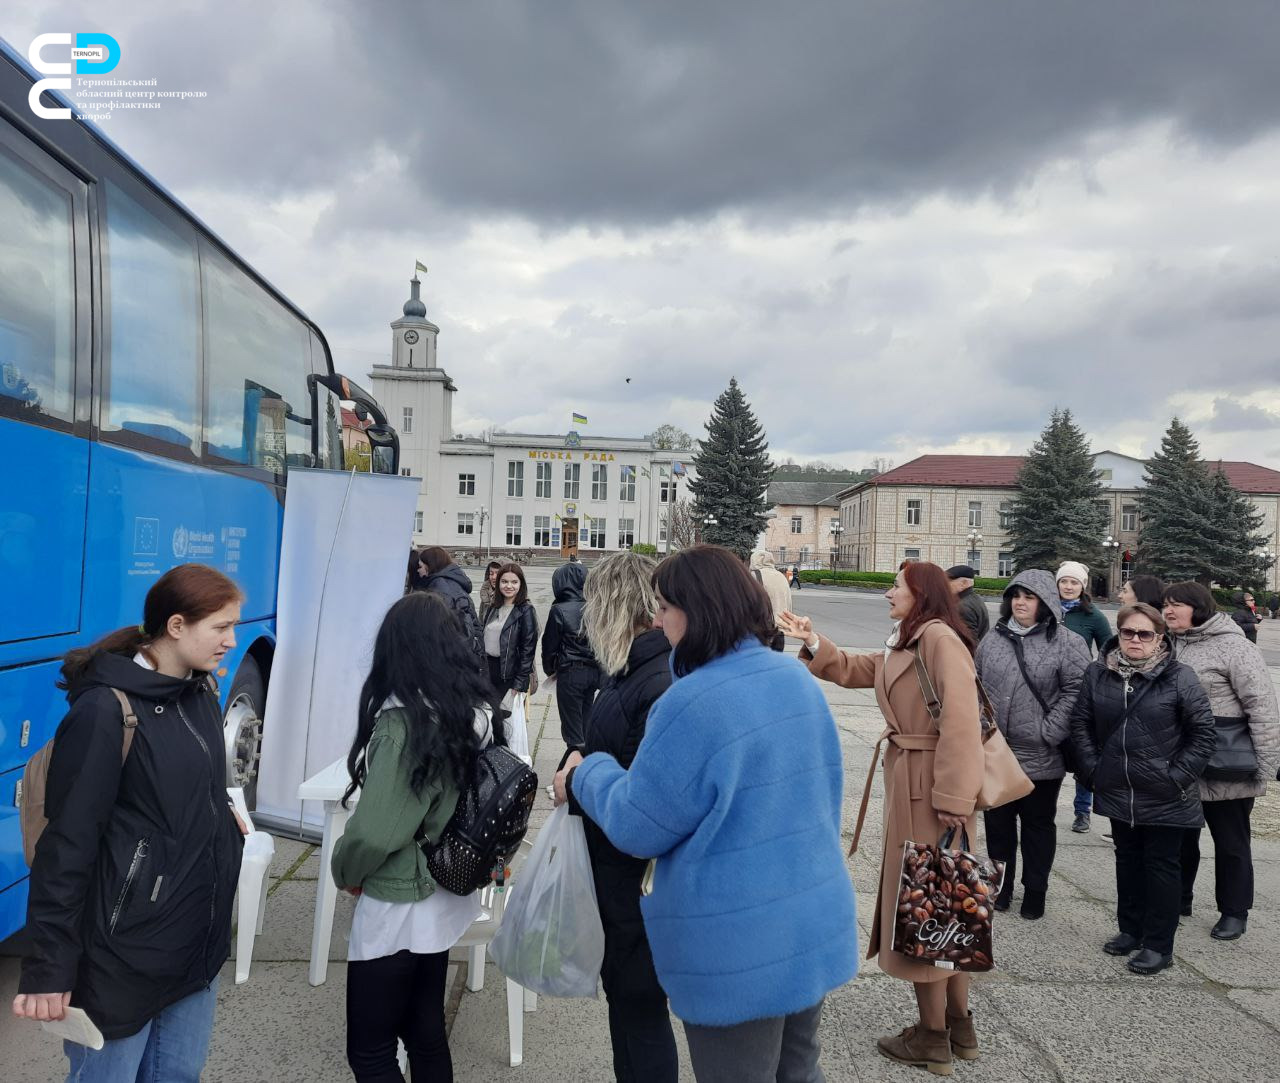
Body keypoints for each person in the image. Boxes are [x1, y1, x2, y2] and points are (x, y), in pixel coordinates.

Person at [556, 546, 857, 1083]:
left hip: (740, 941)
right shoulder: (792, 680)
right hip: (809, 916)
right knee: (799, 1069)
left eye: (665, 607)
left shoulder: (693, 700)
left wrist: (589, 772)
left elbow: (637, 825)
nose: (658, 619)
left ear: (695, 612)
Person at [13, 564, 247, 1081]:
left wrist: (225, 828)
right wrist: (49, 968)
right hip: (121, 958)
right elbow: (67, 847)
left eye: (235, 625)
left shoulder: (201, 692)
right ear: (177, 626)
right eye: (221, 627)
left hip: (193, 948)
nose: (233, 641)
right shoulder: (105, 711)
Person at [781, 561, 985, 1077]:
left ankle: (933, 1038)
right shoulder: (913, 640)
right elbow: (860, 668)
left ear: (921, 594)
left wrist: (955, 798)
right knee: (949, 906)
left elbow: (962, 722)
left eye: (896, 586)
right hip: (920, 785)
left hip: (932, 792)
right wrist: (814, 641)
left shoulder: (938, 639)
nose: (888, 594)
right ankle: (959, 1027)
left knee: (928, 909)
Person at [331, 591, 494, 1082]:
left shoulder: (403, 724)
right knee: (425, 1035)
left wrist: (345, 870)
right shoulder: (467, 711)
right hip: (439, 890)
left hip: (396, 900)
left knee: (371, 1051)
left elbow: (376, 834)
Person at [558, 551, 678, 1082]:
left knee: (640, 1009)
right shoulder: (636, 669)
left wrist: (577, 783)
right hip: (618, 874)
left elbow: (641, 794)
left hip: (633, 879)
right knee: (629, 1008)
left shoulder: (653, 680)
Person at [1068, 603, 1216, 975]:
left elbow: (1203, 735)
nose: (1135, 640)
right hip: (1118, 787)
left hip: (1166, 793)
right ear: (1118, 634)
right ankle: (1130, 930)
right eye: (1128, 632)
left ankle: (1158, 945)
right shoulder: (1098, 673)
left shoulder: (1181, 677)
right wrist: (1092, 769)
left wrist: (1176, 776)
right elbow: (1081, 723)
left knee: (1162, 867)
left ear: (1159, 639)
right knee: (1127, 861)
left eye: (1144, 634)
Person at [1163, 582, 1280, 940]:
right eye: (1165, 605)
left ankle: (1234, 910)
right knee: (1180, 838)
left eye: (1176, 605)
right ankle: (1179, 898)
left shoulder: (1235, 647)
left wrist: (1266, 764)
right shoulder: (1167, 644)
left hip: (1228, 762)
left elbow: (1262, 707)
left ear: (1197, 608)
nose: (1168, 611)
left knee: (1231, 842)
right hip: (1180, 762)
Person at [975, 570, 1089, 918]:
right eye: (1015, 596)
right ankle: (1001, 888)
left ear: (1046, 603)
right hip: (998, 751)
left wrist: (1049, 730)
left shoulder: (1069, 643)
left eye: (1029, 597)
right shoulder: (993, 639)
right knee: (998, 825)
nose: (1020, 603)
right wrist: (983, 727)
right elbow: (976, 684)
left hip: (1041, 753)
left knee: (1038, 825)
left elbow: (1078, 691)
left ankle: (1035, 890)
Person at [1055, 561, 1112, 834]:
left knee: (1081, 753)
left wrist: (1097, 681)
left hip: (1079, 693)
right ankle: (1044, 805)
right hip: (1046, 693)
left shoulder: (1093, 616)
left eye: (1074, 582)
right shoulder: (1046, 610)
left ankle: (1082, 811)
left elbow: (1108, 652)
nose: (1068, 586)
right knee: (1050, 752)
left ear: (1082, 586)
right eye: (1064, 582)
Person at [541, 560, 601, 749]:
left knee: (572, 730)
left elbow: (549, 646)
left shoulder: (559, 610)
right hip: (594, 672)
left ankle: (574, 766)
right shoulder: (596, 606)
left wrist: (550, 669)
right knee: (586, 720)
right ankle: (586, 761)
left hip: (571, 673)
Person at [481, 563, 539, 709]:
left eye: (514, 582)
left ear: (521, 584)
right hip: (488, 671)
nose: (509, 586)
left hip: (509, 675)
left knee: (506, 723)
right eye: (504, 581)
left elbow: (528, 650)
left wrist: (519, 682)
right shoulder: (493, 608)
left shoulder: (526, 611)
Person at [417, 546, 484, 662]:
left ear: (430, 566)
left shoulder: (441, 589)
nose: (418, 570)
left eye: (420, 566)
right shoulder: (451, 583)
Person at [749, 549, 792, 651]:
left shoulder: (754, 576)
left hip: (762, 629)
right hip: (780, 630)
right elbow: (788, 601)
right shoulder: (781, 576)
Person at [946, 563, 990, 644]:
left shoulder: (963, 606)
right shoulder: (976, 598)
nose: (946, 585)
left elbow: (969, 642)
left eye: (949, 581)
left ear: (964, 583)